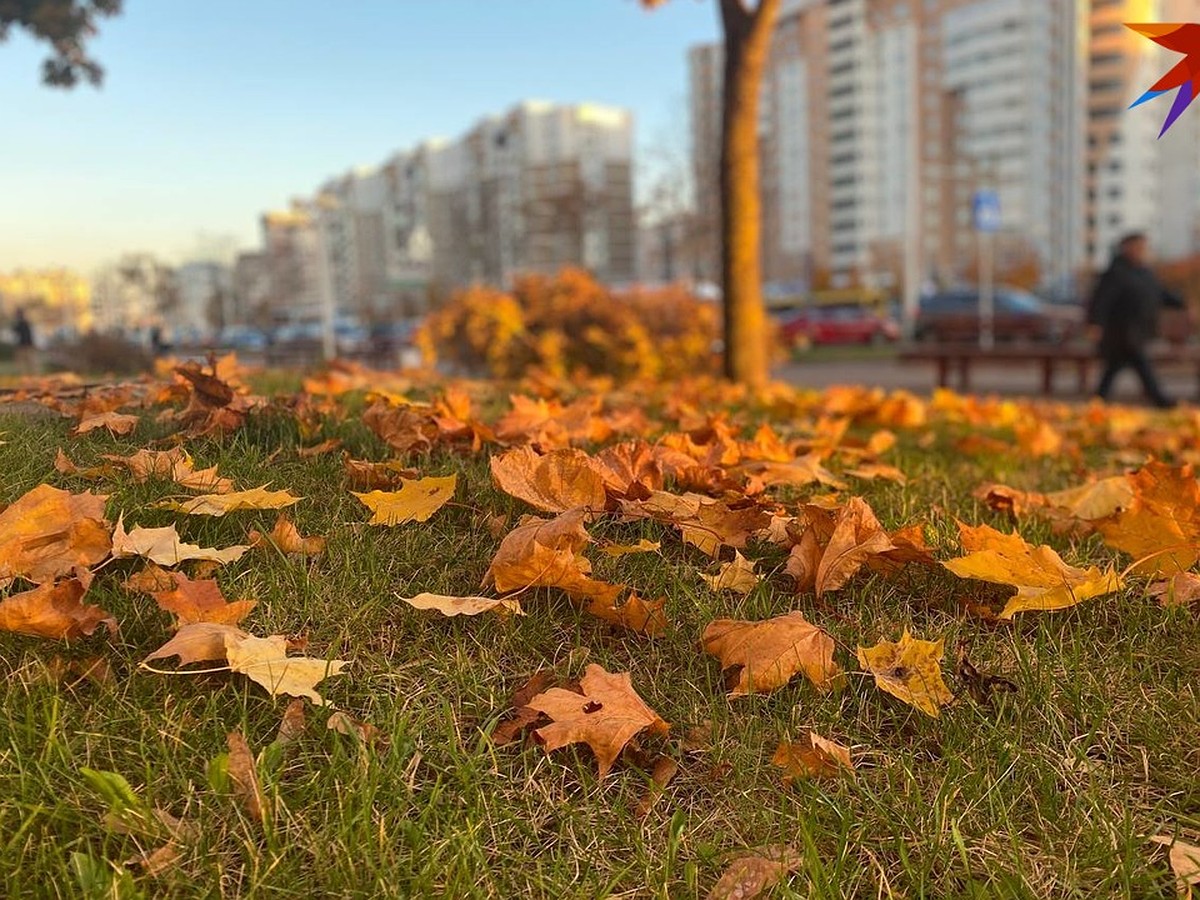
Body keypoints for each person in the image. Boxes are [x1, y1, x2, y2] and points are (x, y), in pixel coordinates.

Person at [1087, 232, 1185, 408]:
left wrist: (1180, 302)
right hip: (1122, 331)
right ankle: (1160, 400)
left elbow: (1159, 294)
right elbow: (1101, 300)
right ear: (1127, 248)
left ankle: (1098, 401)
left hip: (1139, 330)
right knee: (1139, 363)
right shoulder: (1116, 272)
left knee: (1114, 368)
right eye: (1139, 247)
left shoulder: (1145, 272)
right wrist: (1096, 324)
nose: (1143, 251)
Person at [11, 307, 37, 375]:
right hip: (28, 344)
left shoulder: (19, 323)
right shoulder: (26, 322)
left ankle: (26, 376)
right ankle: (32, 375)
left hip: (22, 345)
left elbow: (14, 331)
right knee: (30, 361)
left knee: (23, 362)